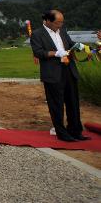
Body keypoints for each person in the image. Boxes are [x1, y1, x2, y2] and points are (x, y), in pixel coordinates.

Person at [30, 9, 87, 142]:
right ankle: (62, 133)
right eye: (57, 23)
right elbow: (38, 52)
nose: (60, 25)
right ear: (48, 21)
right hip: (52, 73)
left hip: (69, 70)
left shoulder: (63, 30)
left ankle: (76, 131)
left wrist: (82, 47)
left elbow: (70, 44)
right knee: (56, 104)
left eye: (62, 22)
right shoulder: (37, 34)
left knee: (73, 102)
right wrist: (55, 53)